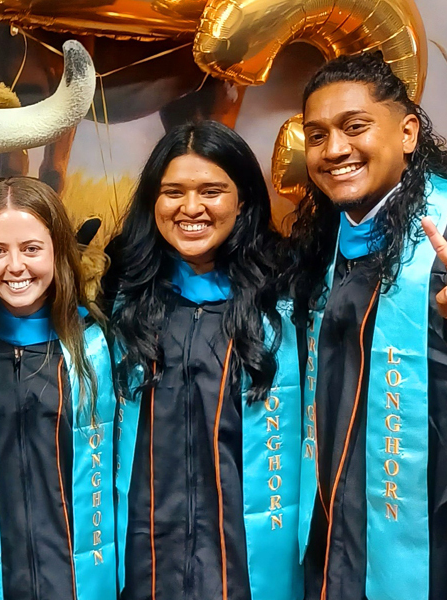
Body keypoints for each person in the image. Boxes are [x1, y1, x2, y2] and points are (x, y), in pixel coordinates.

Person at [286, 51, 447, 600]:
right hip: (337, 540)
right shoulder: (322, 245)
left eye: (355, 128)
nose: (335, 150)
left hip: (441, 540)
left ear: (408, 133)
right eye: (317, 135)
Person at [108, 121, 304, 600]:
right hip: (146, 561)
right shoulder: (118, 302)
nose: (191, 208)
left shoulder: (289, 303)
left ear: (244, 200)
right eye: (173, 191)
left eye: (212, 191)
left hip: (243, 565)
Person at [0, 177, 119, 599]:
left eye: (32, 249)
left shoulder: (96, 344)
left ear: (58, 250)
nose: (15, 266)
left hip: (73, 579)